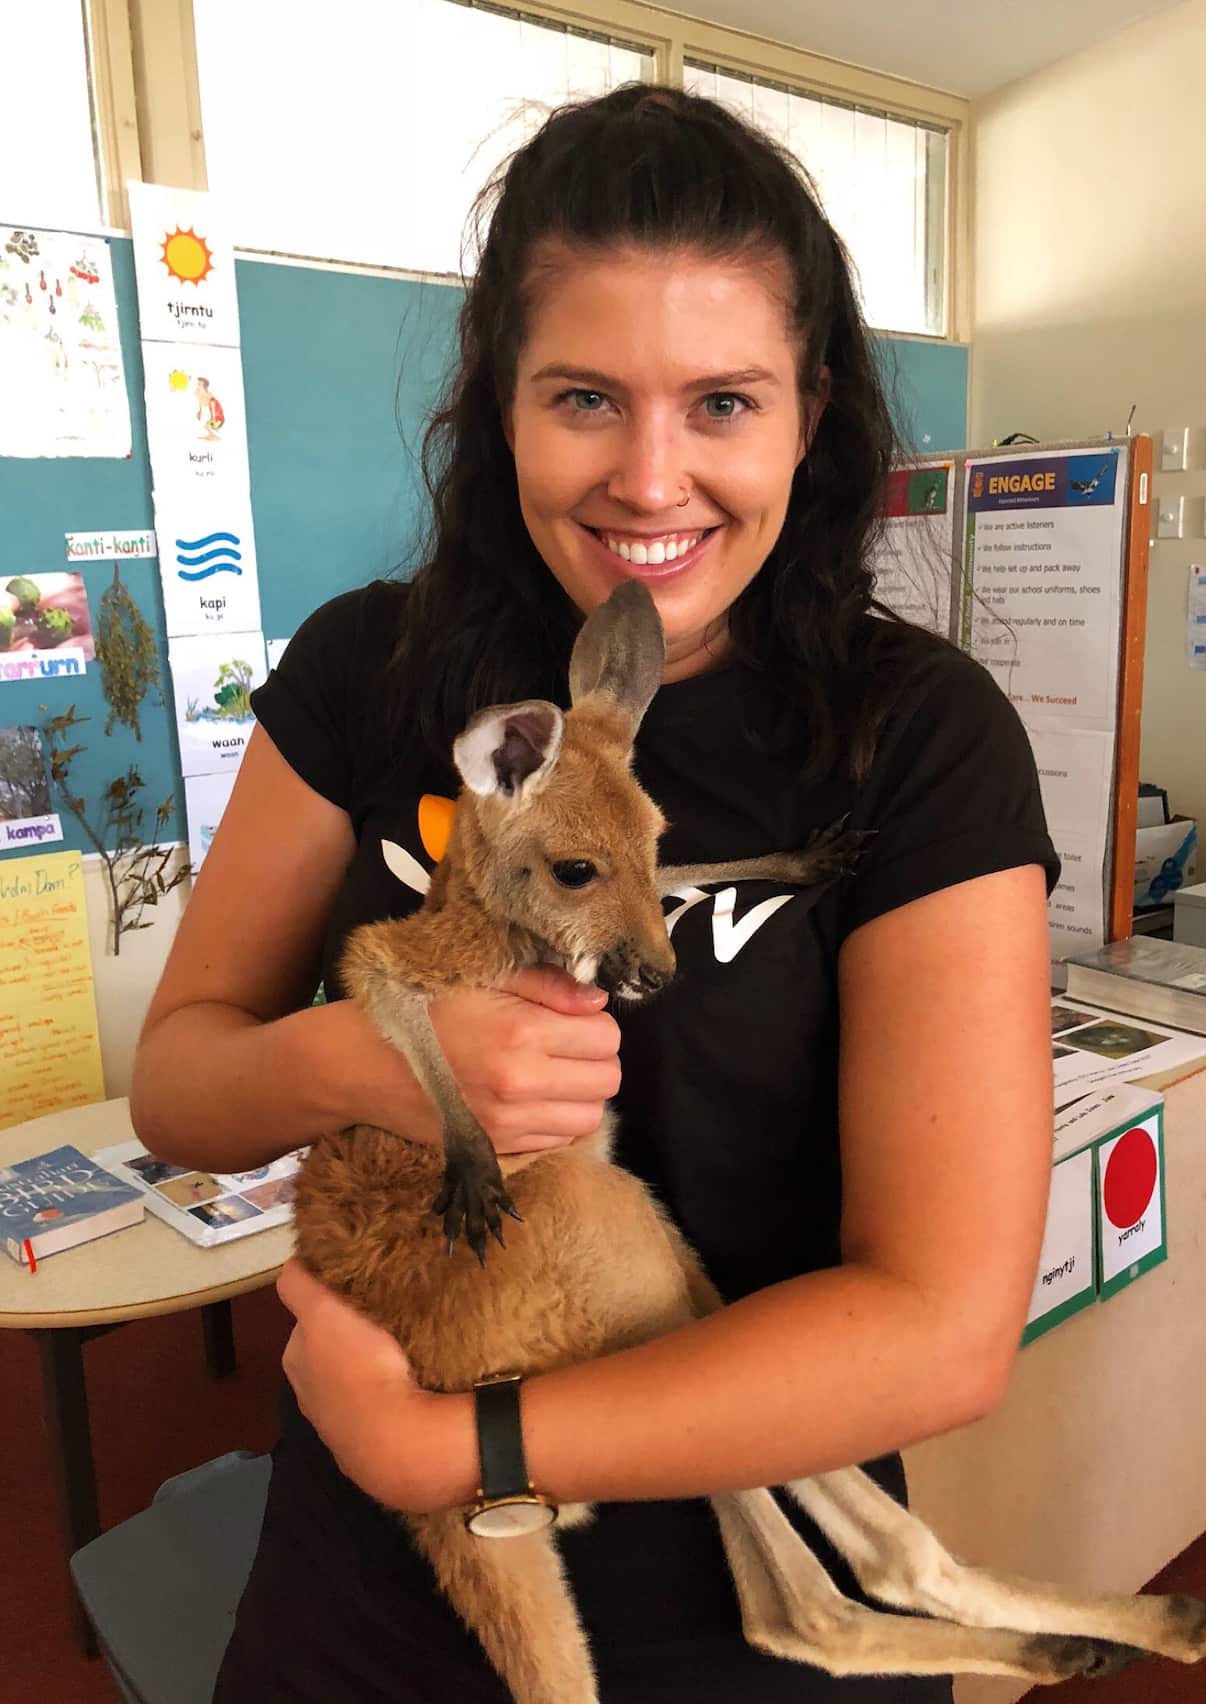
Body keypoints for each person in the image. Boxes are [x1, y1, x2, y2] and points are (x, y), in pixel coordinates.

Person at [131, 84, 1060, 1703]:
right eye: (584, 398)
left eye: (721, 403)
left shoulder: (917, 737)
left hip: (737, 1599)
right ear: (502, 402)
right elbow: (182, 1083)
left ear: (806, 413)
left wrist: (457, 1446)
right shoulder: (369, 666)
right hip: (367, 1596)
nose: (650, 479)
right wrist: (381, 1058)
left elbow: (941, 1327)